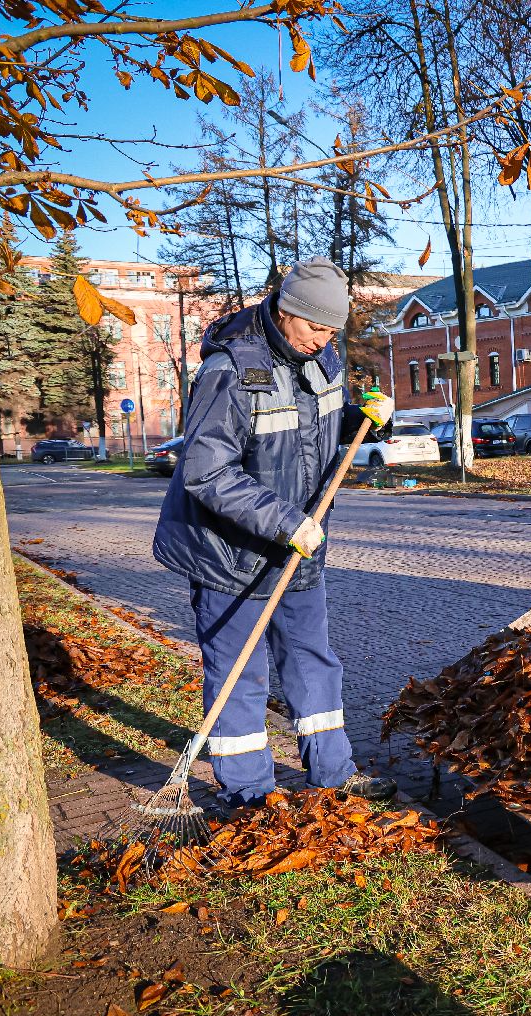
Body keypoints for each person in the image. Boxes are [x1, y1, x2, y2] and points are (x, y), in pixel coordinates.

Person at [152, 257, 397, 807]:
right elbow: (204, 471)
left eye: (334, 329)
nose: (325, 338)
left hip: (299, 548)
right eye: (315, 326)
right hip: (229, 555)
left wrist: (364, 417)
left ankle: (333, 775)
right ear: (286, 311)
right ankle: (250, 794)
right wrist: (286, 522)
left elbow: (316, 436)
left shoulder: (326, 358)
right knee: (242, 674)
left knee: (313, 660)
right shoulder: (231, 369)